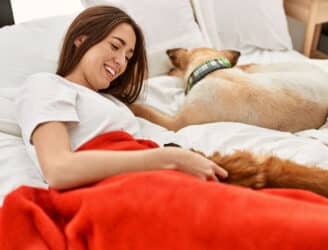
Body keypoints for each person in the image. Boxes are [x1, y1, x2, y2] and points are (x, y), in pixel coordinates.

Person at [15, 5, 228, 190]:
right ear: (81, 39)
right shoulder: (46, 84)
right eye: (115, 46)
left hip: (157, 179)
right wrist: (168, 159)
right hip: (116, 189)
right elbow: (58, 169)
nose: (121, 62)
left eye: (128, 56)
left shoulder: (115, 104)